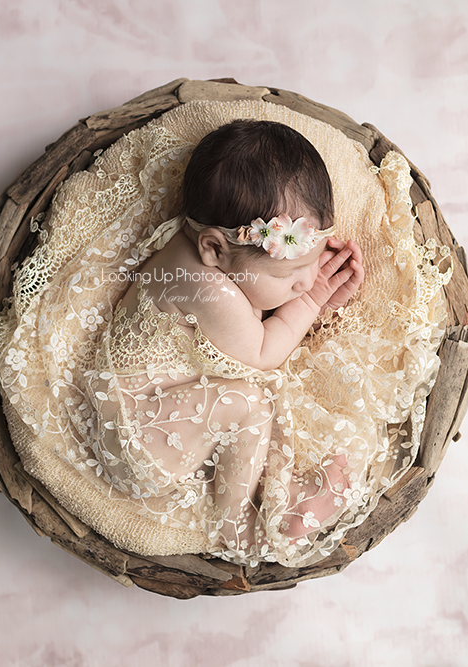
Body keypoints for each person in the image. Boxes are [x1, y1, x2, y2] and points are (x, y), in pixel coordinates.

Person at [86, 120, 364, 561]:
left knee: (250, 404)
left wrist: (297, 280)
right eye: (289, 273)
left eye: (309, 266)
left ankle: (270, 491)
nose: (307, 279)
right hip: (138, 436)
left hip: (167, 406)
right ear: (213, 249)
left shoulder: (213, 253)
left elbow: (254, 303)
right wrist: (311, 302)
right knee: (251, 401)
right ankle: (241, 529)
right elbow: (262, 354)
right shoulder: (206, 287)